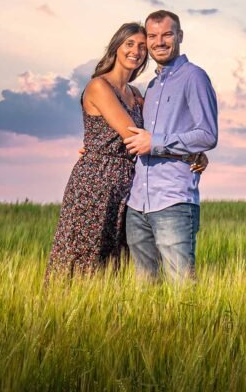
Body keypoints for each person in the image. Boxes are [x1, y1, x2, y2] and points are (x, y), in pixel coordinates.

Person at [45, 22, 207, 279]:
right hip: (96, 183)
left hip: (127, 184)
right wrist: (189, 153)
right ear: (116, 48)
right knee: (87, 254)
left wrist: (193, 148)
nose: (137, 51)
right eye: (129, 44)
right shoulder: (99, 86)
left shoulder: (137, 94)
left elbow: (158, 132)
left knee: (113, 264)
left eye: (142, 46)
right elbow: (135, 137)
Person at [122, 9, 218, 282]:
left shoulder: (194, 77)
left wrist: (157, 143)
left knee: (182, 286)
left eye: (167, 34)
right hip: (137, 205)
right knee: (144, 290)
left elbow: (207, 134)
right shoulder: (150, 88)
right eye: (152, 36)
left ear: (180, 36)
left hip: (173, 201)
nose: (159, 42)